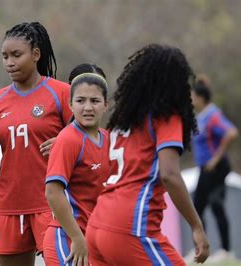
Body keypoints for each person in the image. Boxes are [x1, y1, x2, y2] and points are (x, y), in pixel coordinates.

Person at [0, 21, 72, 266]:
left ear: (35, 54)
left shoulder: (61, 92)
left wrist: (65, 142)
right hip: (9, 205)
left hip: (50, 203)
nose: (9, 62)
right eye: (5, 56)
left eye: (16, 55)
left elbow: (87, 140)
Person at [86, 44, 210, 265]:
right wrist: (197, 226)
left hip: (97, 224)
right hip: (130, 227)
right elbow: (169, 174)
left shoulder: (124, 120)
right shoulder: (166, 116)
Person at [43, 71, 110, 266]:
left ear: (106, 105)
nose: (87, 107)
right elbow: (53, 192)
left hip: (94, 239)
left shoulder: (107, 138)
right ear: (70, 105)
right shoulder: (68, 139)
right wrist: (78, 238)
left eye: (95, 101)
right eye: (80, 101)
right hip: (69, 239)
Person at [189, 74, 238, 262]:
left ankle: (226, 251)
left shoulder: (213, 115)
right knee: (197, 207)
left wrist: (216, 158)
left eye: (193, 96)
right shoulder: (201, 115)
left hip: (216, 168)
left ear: (200, 98)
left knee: (216, 204)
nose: (191, 99)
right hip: (205, 169)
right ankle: (201, 250)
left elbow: (232, 132)